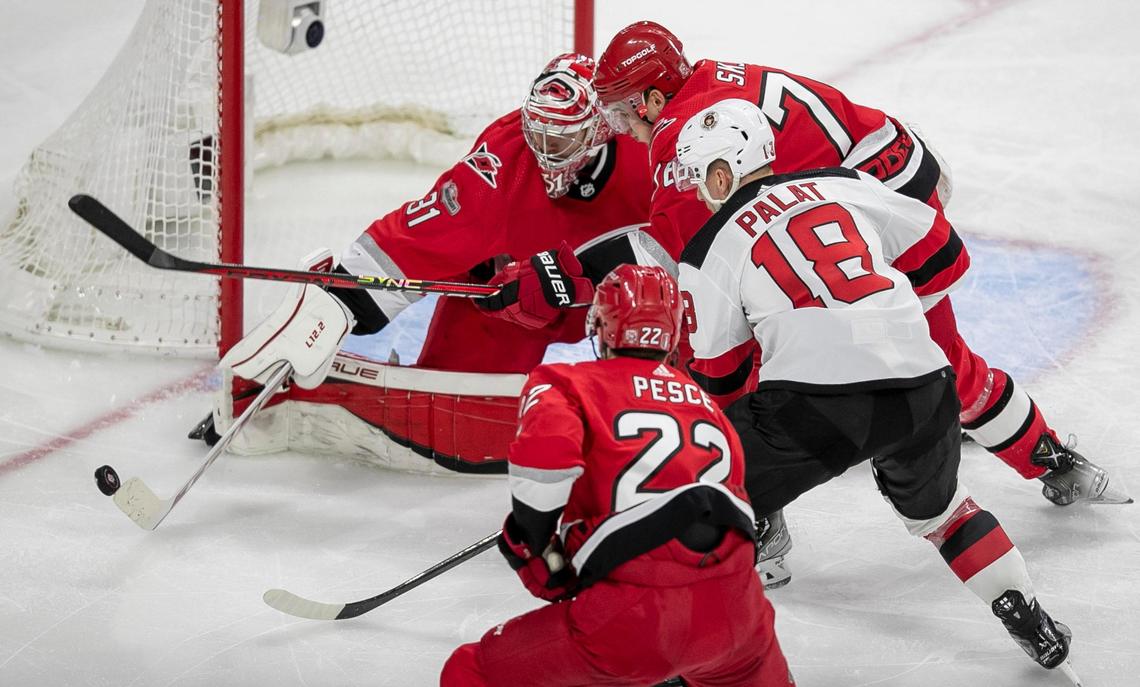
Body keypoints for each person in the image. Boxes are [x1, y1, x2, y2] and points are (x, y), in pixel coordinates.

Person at [594, 20, 1129, 586]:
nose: (623, 127)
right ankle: (1052, 460)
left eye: (625, 111)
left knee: (791, 357)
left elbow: (698, 261)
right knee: (928, 359)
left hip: (870, 202)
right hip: (887, 176)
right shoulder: (707, 83)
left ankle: (761, 523)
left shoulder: (681, 139)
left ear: (655, 97)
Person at [673, 98, 1078, 679]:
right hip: (927, 387)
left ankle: (679, 660)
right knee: (943, 516)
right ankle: (1025, 612)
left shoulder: (709, 248)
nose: (696, 195)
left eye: (698, 180)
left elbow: (721, 380)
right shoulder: (842, 182)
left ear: (720, 173)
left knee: (693, 498)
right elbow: (945, 254)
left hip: (814, 407)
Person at [199, 53, 678, 471]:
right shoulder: (503, 161)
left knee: (692, 344)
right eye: (538, 135)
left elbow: (696, 241)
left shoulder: (651, 148)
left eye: (560, 141)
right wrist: (341, 304)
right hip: (518, 302)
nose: (545, 154)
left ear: (602, 128)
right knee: (461, 427)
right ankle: (287, 401)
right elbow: (418, 239)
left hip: (631, 303)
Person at [439, 264, 793, 687]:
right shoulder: (708, 407)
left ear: (602, 326)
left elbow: (544, 467)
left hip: (635, 618)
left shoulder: (565, 383)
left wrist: (534, 544)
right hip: (739, 614)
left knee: (471, 671)